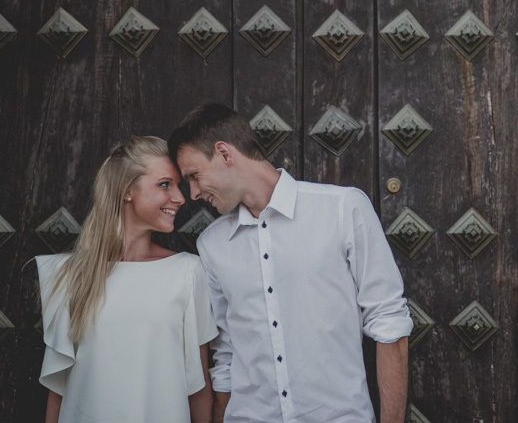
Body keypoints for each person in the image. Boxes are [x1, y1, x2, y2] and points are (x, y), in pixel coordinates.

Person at [168, 103, 413, 423]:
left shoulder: (342, 210)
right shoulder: (212, 245)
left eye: (194, 176)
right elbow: (225, 356)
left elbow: (389, 325)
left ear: (225, 153)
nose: (195, 193)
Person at [37, 136, 218, 423]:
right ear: (127, 191)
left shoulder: (187, 272)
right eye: (164, 184)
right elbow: (58, 387)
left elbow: (198, 385)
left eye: (178, 186)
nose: (180, 198)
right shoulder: (70, 274)